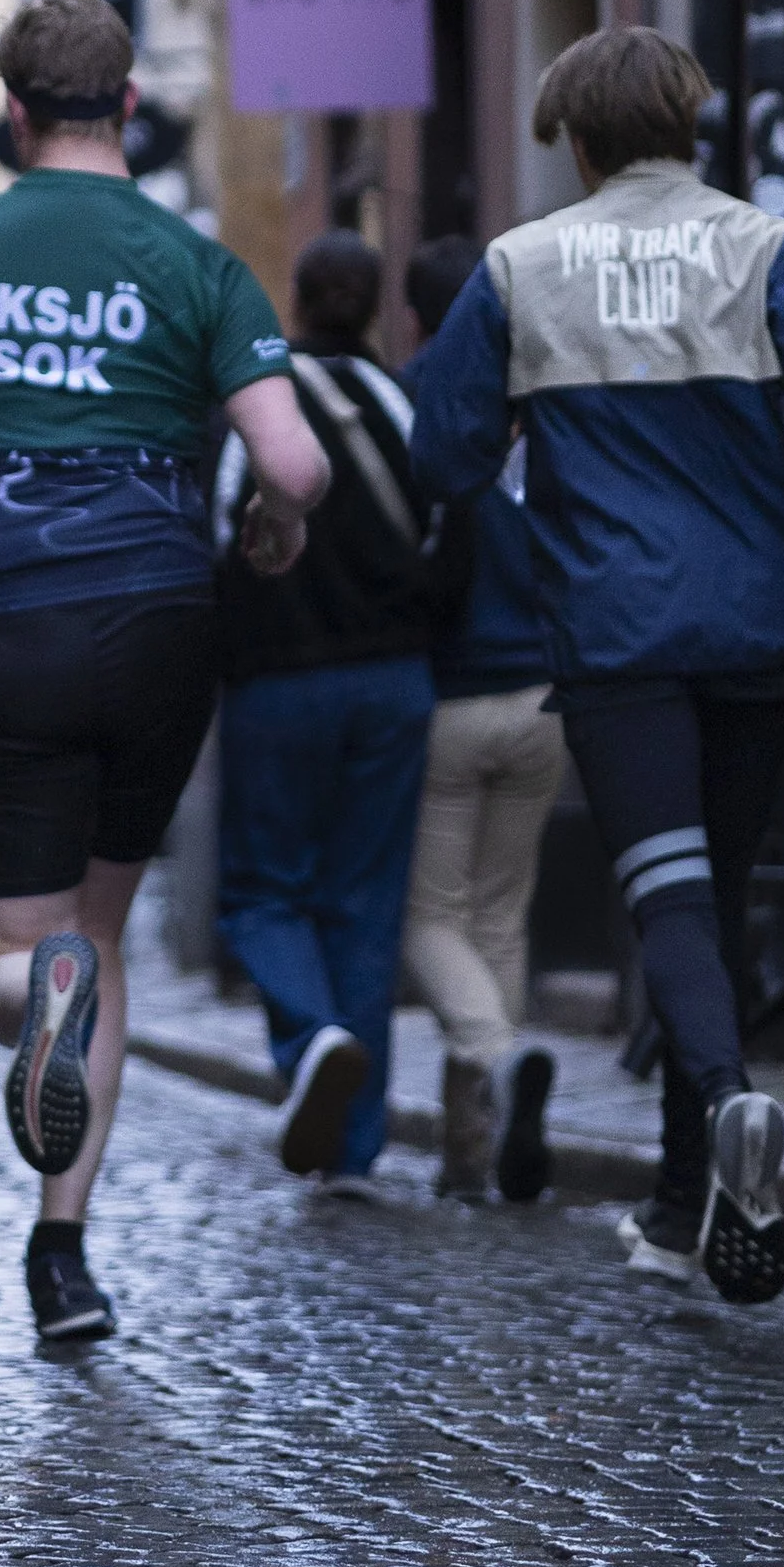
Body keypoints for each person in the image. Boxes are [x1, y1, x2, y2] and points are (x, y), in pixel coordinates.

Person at [0, 0, 330, 1343]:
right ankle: (64, 1253)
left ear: (15, 115)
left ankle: (32, 1005)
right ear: (128, 103)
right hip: (162, 625)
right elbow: (294, 461)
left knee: (18, 948)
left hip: (11, 625)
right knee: (103, 934)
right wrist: (273, 518)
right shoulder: (200, 265)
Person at [413, 27, 784, 1301]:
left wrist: (519, 429)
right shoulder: (764, 246)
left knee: (668, 899)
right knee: (718, 898)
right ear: (694, 126)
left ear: (574, 142)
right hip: (754, 620)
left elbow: (443, 454)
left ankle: (731, 1108)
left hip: (619, 630)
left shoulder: (520, 268)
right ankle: (687, 1198)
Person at [213, 233, 468, 1193]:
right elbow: (454, 532)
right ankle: (355, 1149)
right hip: (396, 681)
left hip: (278, 684)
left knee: (263, 892)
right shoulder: (407, 405)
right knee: (366, 905)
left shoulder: (256, 408)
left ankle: (310, 1034)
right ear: (374, 309)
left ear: (299, 300)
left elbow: (216, 544)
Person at [398, 234, 564, 1204]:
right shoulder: (544, 392)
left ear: (417, 314)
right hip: (544, 688)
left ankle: (495, 1059)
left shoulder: (413, 393)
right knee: (500, 917)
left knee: (430, 918)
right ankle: (472, 1149)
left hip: (447, 690)